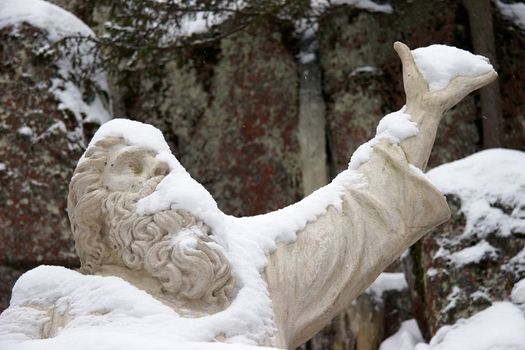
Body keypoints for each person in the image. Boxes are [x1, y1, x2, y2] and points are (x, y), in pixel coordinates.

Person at [0, 42, 496, 349]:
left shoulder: (251, 280)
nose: (157, 174)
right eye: (131, 169)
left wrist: (420, 113)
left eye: (164, 166)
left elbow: (353, 217)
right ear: (93, 213)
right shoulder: (50, 303)